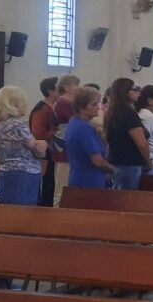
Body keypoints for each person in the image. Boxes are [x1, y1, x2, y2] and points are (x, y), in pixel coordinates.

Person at [0, 86, 47, 206]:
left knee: (10, 211)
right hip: (23, 175)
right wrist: (44, 144)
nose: (26, 105)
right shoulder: (17, 125)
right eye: (23, 101)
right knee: (24, 214)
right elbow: (38, 151)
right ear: (14, 104)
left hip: (7, 173)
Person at [105, 78, 151, 190]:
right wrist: (148, 162)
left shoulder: (113, 112)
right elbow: (141, 143)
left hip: (117, 161)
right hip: (130, 164)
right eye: (134, 89)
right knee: (127, 199)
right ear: (124, 92)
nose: (138, 92)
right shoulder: (128, 114)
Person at [65, 86, 114, 188]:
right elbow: (98, 161)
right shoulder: (85, 128)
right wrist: (116, 170)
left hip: (77, 176)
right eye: (94, 104)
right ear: (82, 108)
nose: (98, 107)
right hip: (90, 180)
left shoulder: (73, 123)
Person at [50, 75, 81, 205]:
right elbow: (75, 119)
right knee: (62, 184)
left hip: (69, 145)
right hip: (62, 145)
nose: (79, 88)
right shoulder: (63, 102)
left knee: (68, 183)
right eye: (76, 85)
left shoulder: (69, 102)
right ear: (67, 87)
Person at [28, 76, 59, 206]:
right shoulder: (42, 110)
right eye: (59, 87)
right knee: (47, 190)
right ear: (50, 91)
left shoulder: (53, 108)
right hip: (45, 156)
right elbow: (38, 134)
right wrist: (59, 131)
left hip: (53, 154)